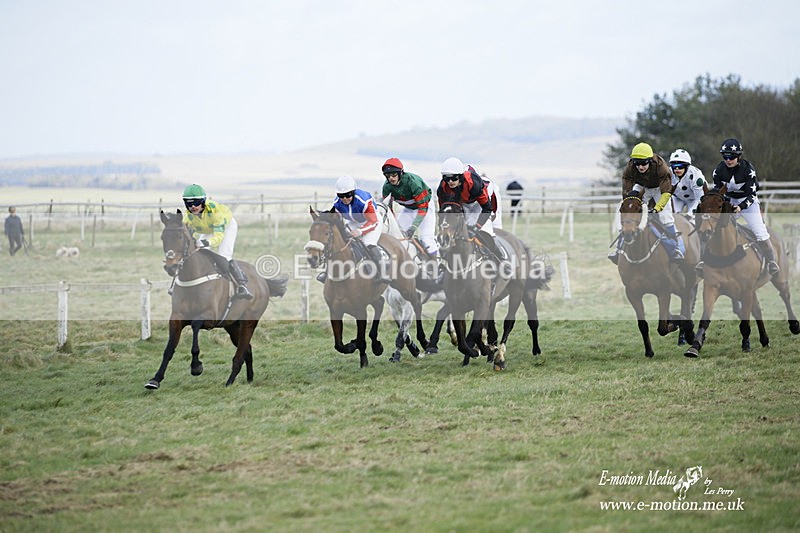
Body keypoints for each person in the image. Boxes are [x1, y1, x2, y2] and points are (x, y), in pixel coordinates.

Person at [698, 138, 779, 277]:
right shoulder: (718, 170)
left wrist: (740, 207)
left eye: (732, 157)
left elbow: (752, 195)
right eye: (725, 157)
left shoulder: (748, 170)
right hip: (728, 200)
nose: (728, 160)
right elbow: (718, 192)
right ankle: (702, 261)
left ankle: (772, 262)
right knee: (712, 228)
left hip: (748, 202)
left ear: (739, 156)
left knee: (760, 232)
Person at [608, 142, 684, 264]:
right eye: (637, 163)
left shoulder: (661, 167)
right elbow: (627, 181)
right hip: (642, 186)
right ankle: (618, 249)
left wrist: (657, 208)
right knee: (629, 211)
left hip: (660, 189)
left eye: (643, 163)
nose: (640, 167)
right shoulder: (630, 166)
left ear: (650, 161)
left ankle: (675, 249)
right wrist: (628, 197)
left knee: (665, 217)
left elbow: (666, 192)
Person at [181, 184, 253, 300]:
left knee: (224, 256)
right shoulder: (188, 216)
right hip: (208, 229)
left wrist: (204, 243)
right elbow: (185, 233)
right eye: (189, 203)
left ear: (203, 201)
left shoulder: (215, 211)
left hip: (226, 227)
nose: (193, 206)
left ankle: (241, 285)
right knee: (198, 255)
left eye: (196, 202)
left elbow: (219, 238)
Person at [322, 175, 388, 283]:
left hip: (372, 220)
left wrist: (360, 231)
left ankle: (383, 272)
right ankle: (326, 272)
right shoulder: (337, 203)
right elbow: (335, 218)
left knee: (368, 243)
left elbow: (373, 222)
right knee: (340, 242)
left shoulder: (363, 201)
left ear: (353, 192)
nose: (344, 199)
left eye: (348, 195)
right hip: (353, 221)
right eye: (341, 195)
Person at [437, 157, 502, 259]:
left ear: (460, 176)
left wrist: (477, 227)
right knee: (462, 229)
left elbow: (487, 208)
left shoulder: (474, 185)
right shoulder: (443, 188)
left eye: (454, 178)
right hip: (464, 201)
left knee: (485, 230)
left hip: (481, 202)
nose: (450, 181)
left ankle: (500, 255)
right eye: (446, 178)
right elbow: (444, 212)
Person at [378, 157, 438, 257]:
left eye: (394, 175)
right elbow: (389, 210)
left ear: (400, 173)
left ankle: (436, 264)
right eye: (388, 176)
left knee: (426, 239)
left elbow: (423, 207)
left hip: (425, 207)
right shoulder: (387, 187)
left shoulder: (413, 183)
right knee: (397, 235)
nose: (391, 178)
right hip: (409, 209)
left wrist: (413, 227)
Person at [669, 149, 706, 219]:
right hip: (677, 198)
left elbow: (700, 198)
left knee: (693, 220)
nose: (677, 169)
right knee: (673, 218)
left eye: (680, 166)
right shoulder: (668, 173)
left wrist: (689, 215)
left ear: (687, 166)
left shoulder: (696, 176)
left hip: (694, 199)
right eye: (674, 166)